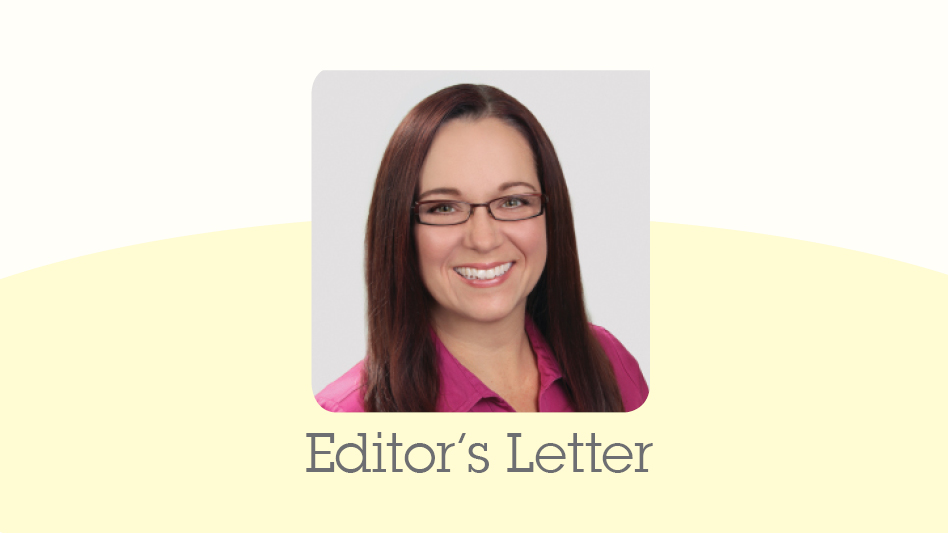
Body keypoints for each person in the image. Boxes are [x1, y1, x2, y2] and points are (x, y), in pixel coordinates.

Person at [316, 83, 648, 412]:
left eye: (513, 201)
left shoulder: (609, 362)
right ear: (401, 229)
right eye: (444, 208)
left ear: (551, 213)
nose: (484, 240)